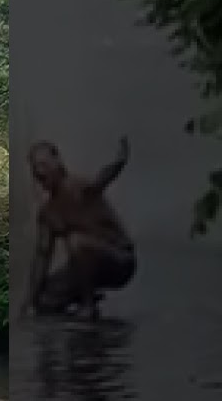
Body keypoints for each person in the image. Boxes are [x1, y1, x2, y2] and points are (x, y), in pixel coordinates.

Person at [21, 136, 136, 318]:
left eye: (43, 164)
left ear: (57, 161)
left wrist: (118, 164)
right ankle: (87, 296)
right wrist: (29, 302)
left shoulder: (79, 187)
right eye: (35, 167)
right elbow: (42, 257)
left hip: (119, 260)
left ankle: (88, 305)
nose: (39, 171)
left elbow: (101, 180)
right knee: (43, 299)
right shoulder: (48, 213)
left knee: (76, 241)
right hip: (85, 267)